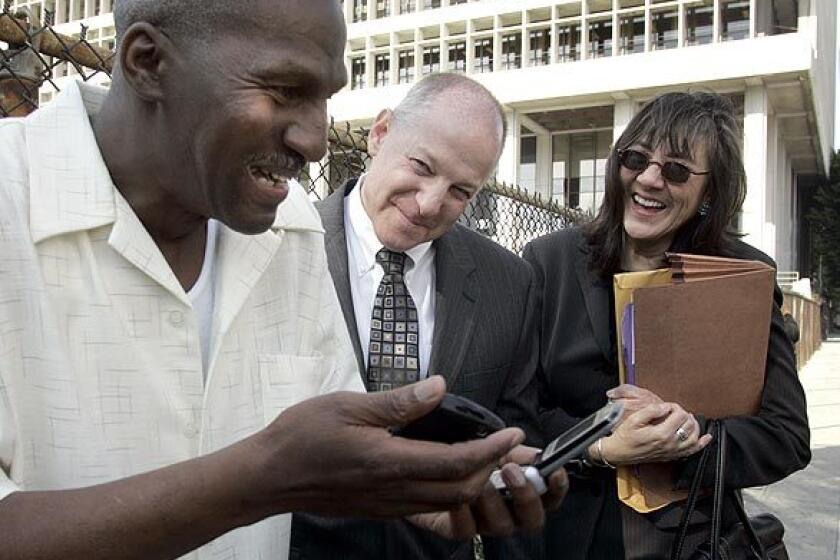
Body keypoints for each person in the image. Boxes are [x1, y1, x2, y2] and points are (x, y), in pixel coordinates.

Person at [0, 2, 564, 559]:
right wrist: (260, 478)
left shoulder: (290, 229)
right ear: (148, 61)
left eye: (324, 98)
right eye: (283, 92)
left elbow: (338, 447)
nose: (316, 141)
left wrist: (416, 489)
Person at [523, 92, 811, 558]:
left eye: (676, 169)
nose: (649, 179)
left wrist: (683, 436)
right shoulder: (547, 261)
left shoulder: (741, 275)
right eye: (636, 159)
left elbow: (785, 438)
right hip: (567, 538)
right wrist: (600, 446)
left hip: (691, 541)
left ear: (709, 192)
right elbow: (519, 410)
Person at [291, 73, 555, 560]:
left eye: (461, 191)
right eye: (421, 166)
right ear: (381, 133)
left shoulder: (510, 284)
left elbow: (511, 446)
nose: (430, 204)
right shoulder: (278, 247)